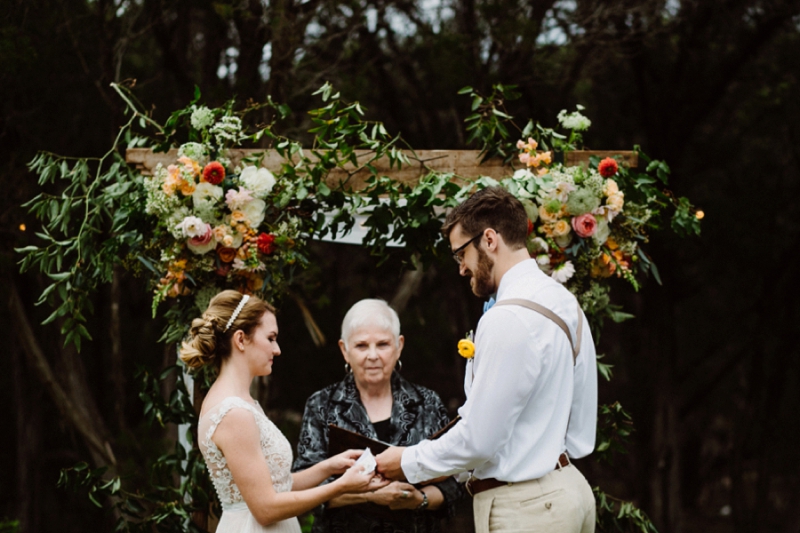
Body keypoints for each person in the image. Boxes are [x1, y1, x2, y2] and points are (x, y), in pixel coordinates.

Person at [376, 186, 598, 533]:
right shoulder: (564, 302)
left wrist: (407, 460)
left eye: (460, 254)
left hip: (527, 508)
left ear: (490, 239)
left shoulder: (506, 318)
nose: (461, 268)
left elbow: (480, 440)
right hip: (569, 489)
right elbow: (581, 421)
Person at [180, 290, 387, 533]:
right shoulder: (233, 413)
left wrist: (328, 467)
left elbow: (276, 485)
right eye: (270, 338)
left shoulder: (239, 402)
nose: (277, 349)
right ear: (240, 339)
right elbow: (266, 509)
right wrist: (341, 486)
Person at [292, 299, 464, 533]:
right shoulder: (322, 405)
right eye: (362, 346)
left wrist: (418, 499)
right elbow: (304, 488)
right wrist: (372, 495)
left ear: (399, 346)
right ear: (345, 350)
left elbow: (454, 483)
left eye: (382, 344)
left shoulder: (428, 402)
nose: (372, 355)